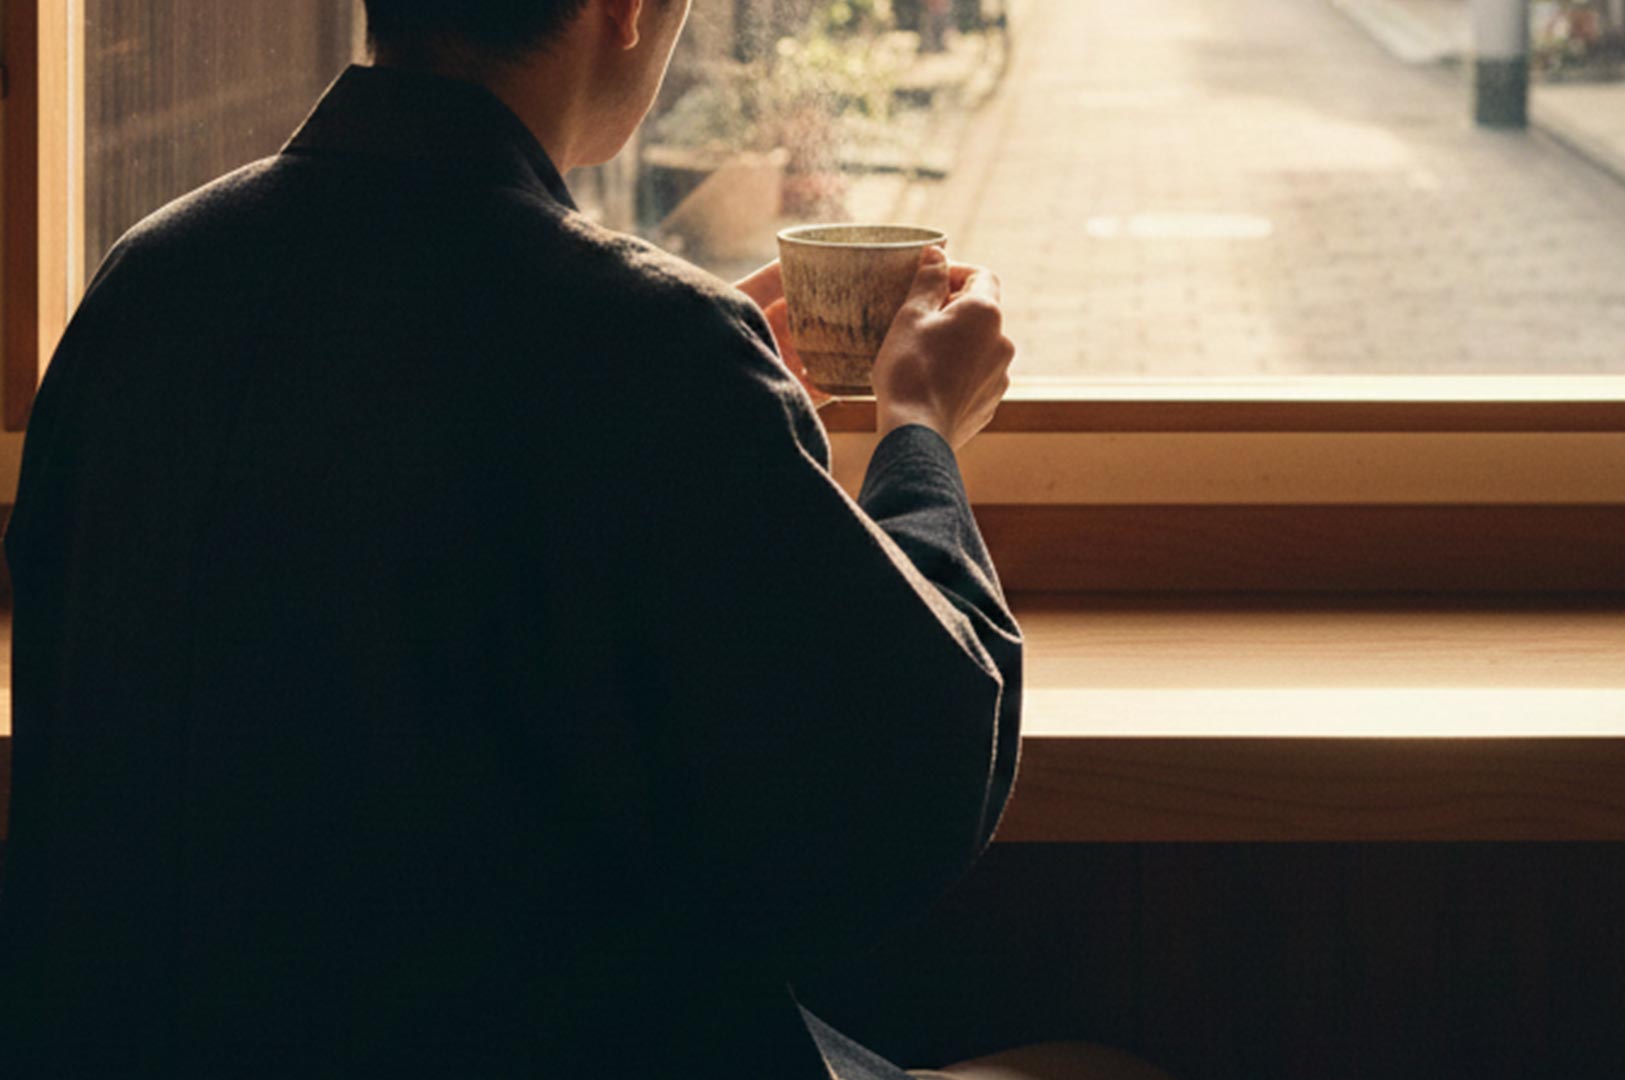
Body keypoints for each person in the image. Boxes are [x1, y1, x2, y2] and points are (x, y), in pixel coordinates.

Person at [0, 1, 1169, 1076]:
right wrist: (920, 431)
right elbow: (911, 777)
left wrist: (732, 415)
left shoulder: (146, 284)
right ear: (623, 11)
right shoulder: (639, 343)